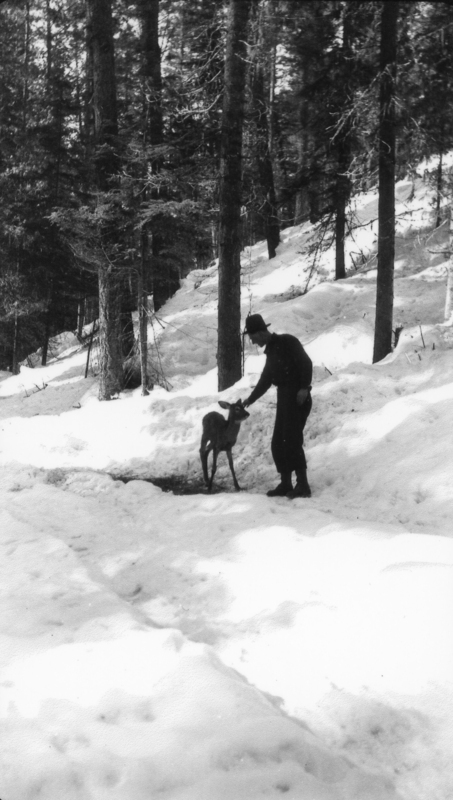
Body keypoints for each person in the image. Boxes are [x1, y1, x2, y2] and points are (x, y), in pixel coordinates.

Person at [243, 313, 313, 498]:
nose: (252, 342)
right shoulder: (271, 351)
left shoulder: (288, 341)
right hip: (284, 397)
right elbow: (266, 379)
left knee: (292, 440)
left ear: (259, 333)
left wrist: (304, 388)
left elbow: (306, 363)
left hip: (297, 396)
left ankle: (303, 485)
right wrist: (250, 399)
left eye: (252, 338)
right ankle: (286, 483)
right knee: (278, 443)